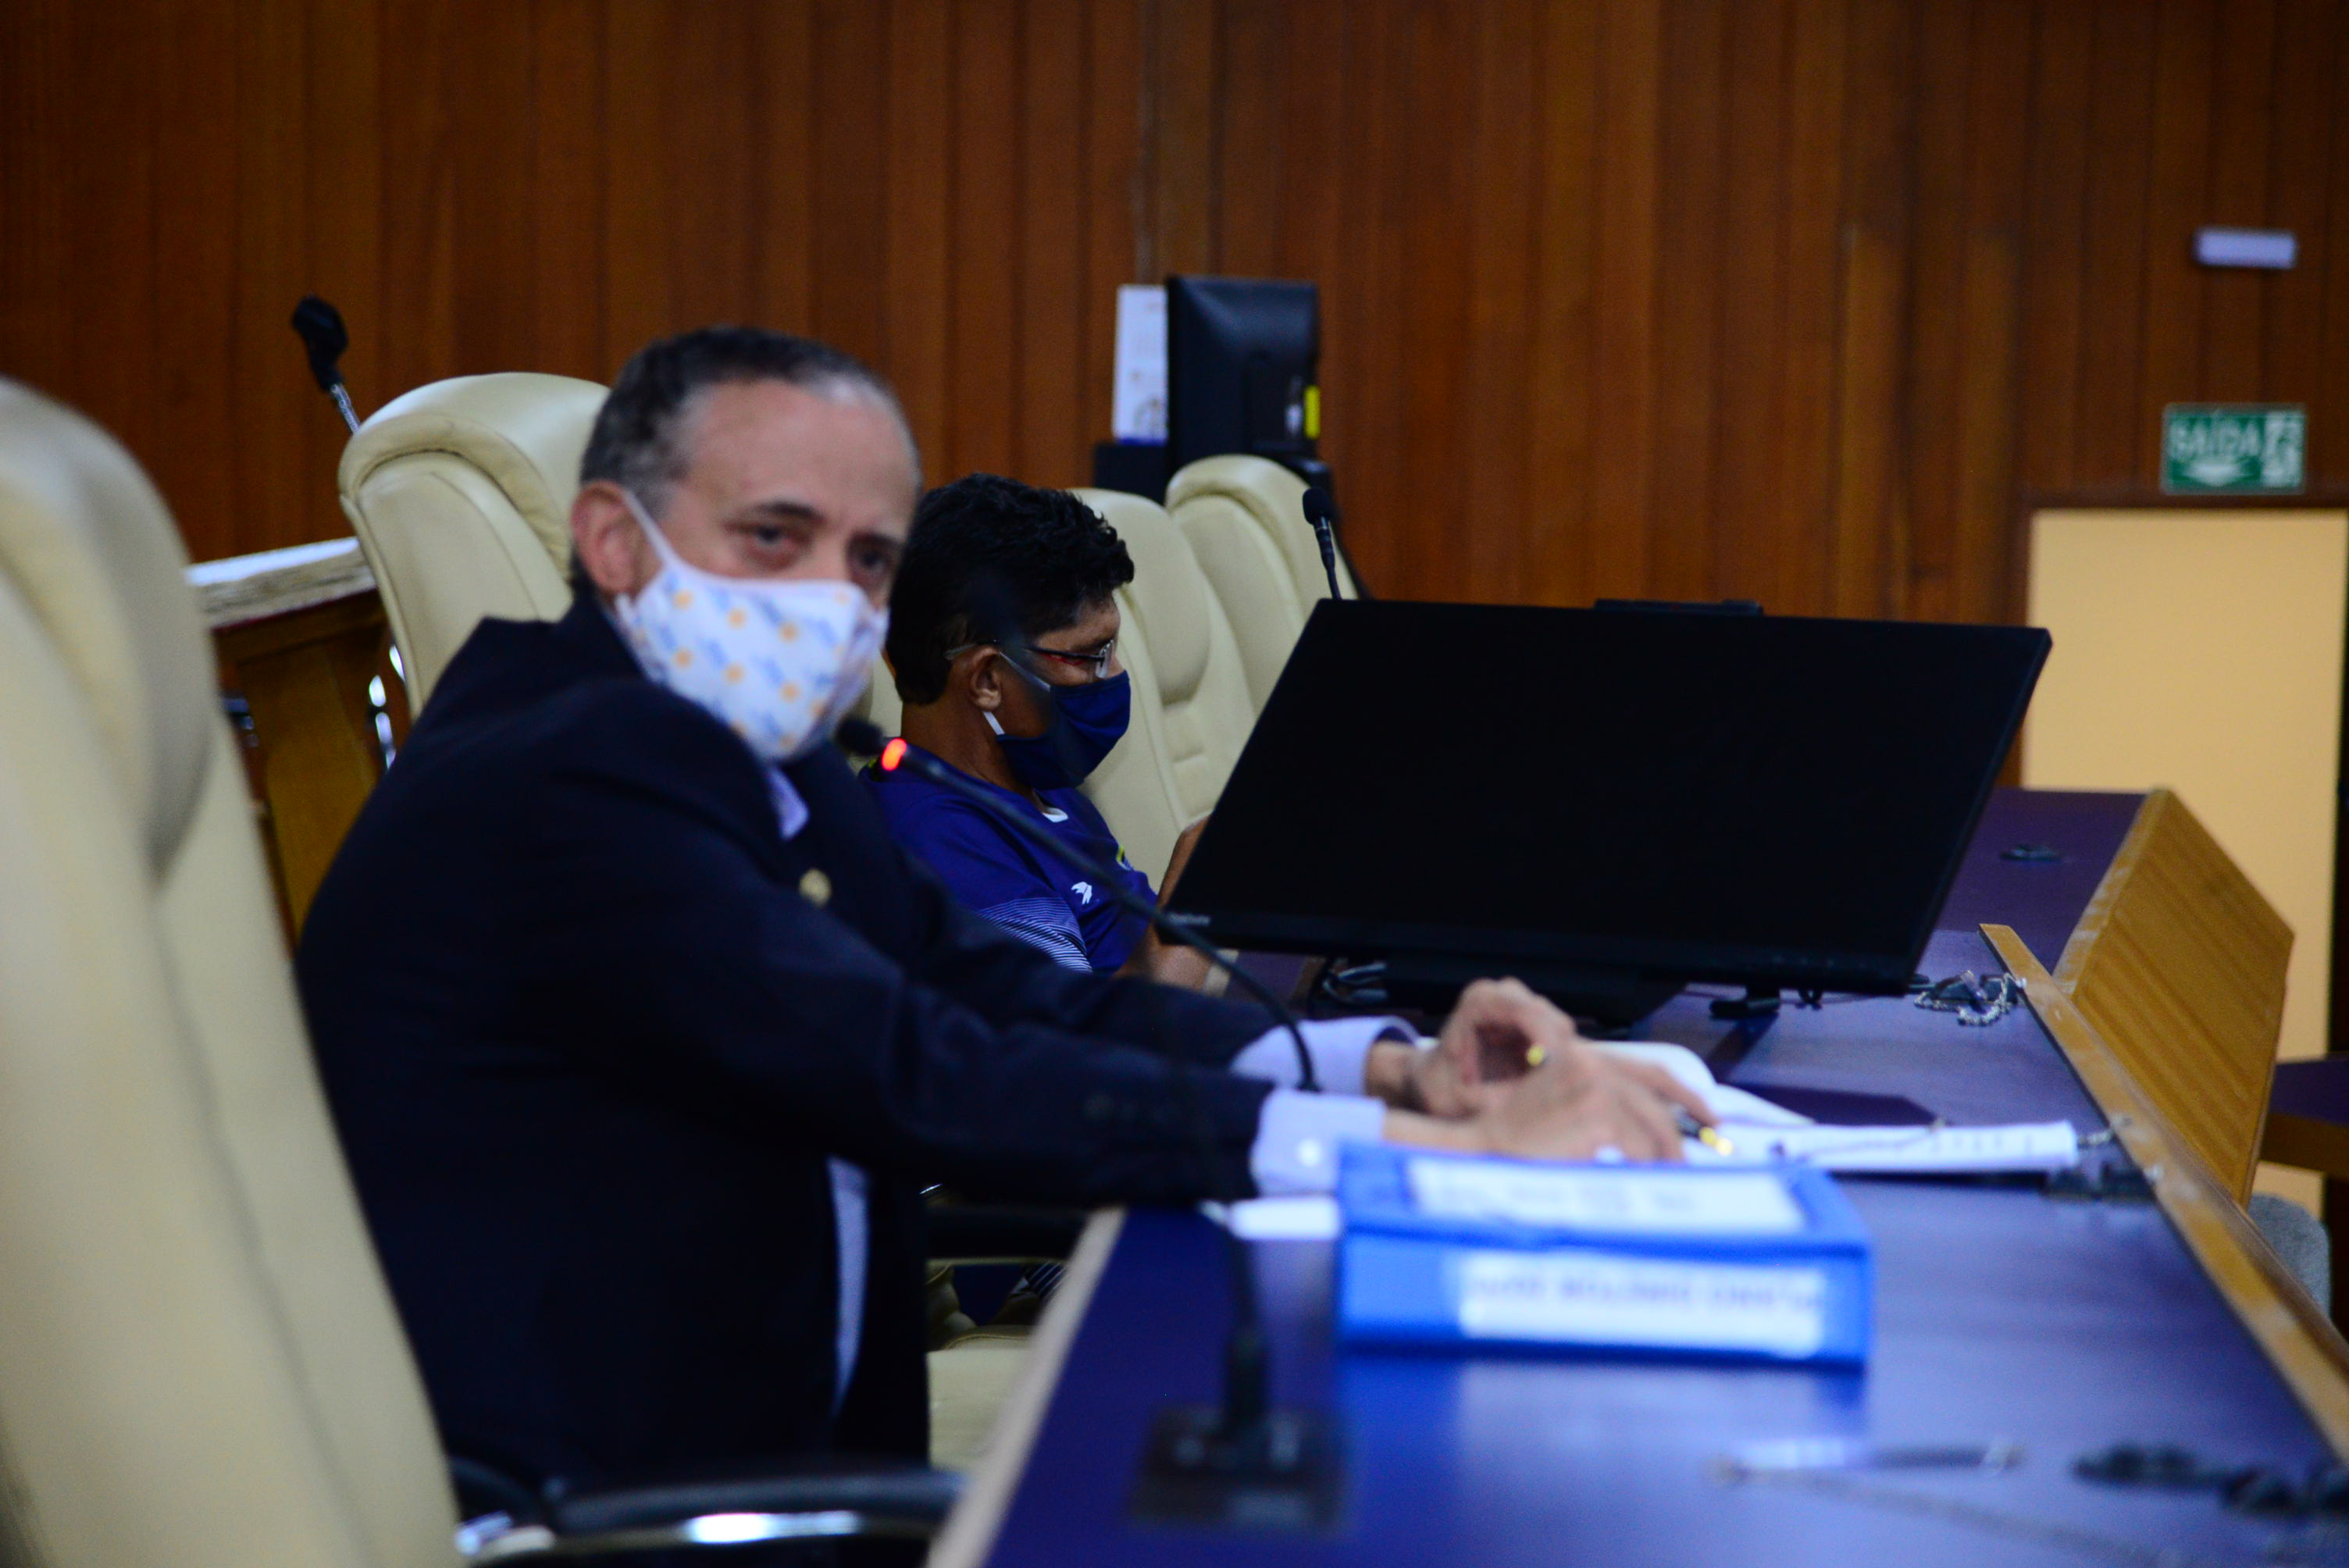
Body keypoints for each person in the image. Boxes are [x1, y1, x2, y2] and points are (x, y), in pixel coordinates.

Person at [296, 326, 1709, 1492]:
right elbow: (913, 1064)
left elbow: (986, 987)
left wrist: (1378, 1069)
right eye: (774, 536)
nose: (833, 602)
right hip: (622, 1497)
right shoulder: (554, 783)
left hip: (785, 1459)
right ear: (612, 540)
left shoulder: (752, 752)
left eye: (866, 559)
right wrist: (1409, 1155)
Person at [868, 472, 1207, 983]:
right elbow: (1078, 1031)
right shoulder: (937, 844)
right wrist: (1199, 895)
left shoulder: (1037, 780)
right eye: (1092, 655)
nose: (1116, 675)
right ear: (987, 680)